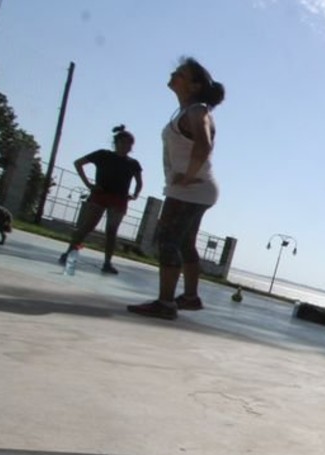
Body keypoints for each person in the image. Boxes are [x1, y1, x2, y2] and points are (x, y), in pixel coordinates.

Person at [127, 58, 223, 319]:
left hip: (190, 190)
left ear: (194, 85)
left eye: (180, 73)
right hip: (199, 189)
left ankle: (166, 303)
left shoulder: (196, 111)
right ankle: (190, 297)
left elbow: (203, 145)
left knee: (167, 240)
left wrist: (186, 177)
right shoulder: (189, 111)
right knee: (186, 243)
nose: (173, 74)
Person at [60, 125, 143, 274]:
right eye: (123, 143)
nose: (126, 147)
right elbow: (78, 163)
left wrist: (135, 195)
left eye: (129, 144)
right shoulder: (103, 155)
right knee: (87, 227)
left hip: (119, 199)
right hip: (100, 195)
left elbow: (139, 182)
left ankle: (107, 263)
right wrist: (88, 184)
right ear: (116, 143)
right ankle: (68, 254)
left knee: (111, 232)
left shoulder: (133, 164)